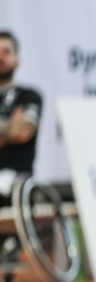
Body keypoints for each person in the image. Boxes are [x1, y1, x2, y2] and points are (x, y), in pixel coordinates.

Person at [0, 30, 42, 265]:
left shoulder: (29, 96)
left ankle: (9, 245)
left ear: (17, 60)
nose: (1, 57)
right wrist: (9, 126)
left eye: (6, 52)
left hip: (15, 177)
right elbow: (14, 130)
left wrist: (10, 130)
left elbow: (23, 131)